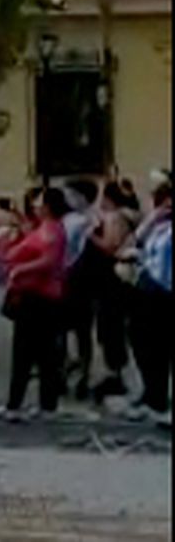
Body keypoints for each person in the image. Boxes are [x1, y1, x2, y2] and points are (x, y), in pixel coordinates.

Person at [0, 187, 68, 422]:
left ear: (48, 206)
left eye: (39, 202)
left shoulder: (52, 231)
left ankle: (18, 404)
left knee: (28, 351)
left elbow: (49, 260)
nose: (35, 205)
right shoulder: (42, 228)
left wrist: (20, 269)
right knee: (41, 353)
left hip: (39, 297)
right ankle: (44, 404)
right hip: (32, 294)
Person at [122, 174, 171, 426]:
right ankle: (152, 394)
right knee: (141, 343)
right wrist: (153, 218)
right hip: (145, 290)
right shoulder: (159, 226)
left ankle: (160, 399)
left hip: (164, 293)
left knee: (160, 348)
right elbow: (134, 241)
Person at [83, 181, 134, 402]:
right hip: (104, 281)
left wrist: (91, 235)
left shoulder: (116, 217)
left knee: (110, 326)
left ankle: (115, 372)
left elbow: (110, 246)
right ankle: (113, 370)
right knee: (107, 327)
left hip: (110, 281)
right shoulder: (116, 216)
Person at [60, 178, 100, 400]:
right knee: (80, 332)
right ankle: (79, 373)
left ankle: (72, 373)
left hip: (75, 279)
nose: (67, 199)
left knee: (71, 331)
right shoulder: (91, 219)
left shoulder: (79, 220)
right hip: (82, 281)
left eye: (70, 194)